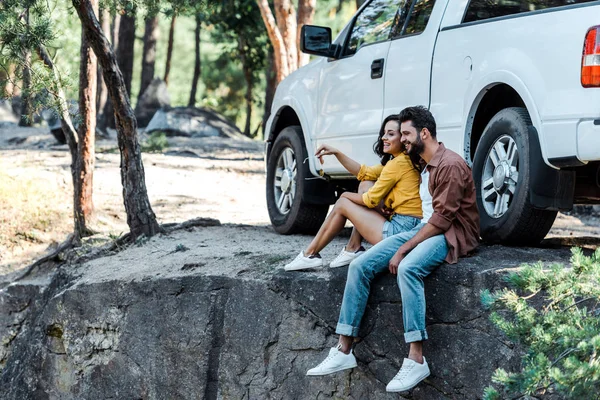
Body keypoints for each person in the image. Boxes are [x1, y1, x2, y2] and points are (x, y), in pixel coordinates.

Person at [305, 106, 480, 393]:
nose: (403, 139)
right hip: (423, 227)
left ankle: (416, 358)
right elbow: (406, 197)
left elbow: (441, 221)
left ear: (424, 133)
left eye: (407, 134)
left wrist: (403, 250)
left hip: (450, 233)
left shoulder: (449, 165)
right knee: (359, 266)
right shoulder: (422, 161)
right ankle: (343, 349)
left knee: (409, 268)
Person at [284, 114, 423, 271]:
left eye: (391, 134)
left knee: (344, 203)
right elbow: (364, 172)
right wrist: (337, 153)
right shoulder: (400, 161)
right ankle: (353, 247)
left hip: (400, 232)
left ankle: (310, 254)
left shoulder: (397, 164)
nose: (384, 137)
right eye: (384, 133)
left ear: (403, 139)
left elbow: (370, 200)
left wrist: (344, 196)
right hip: (408, 226)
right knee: (365, 184)